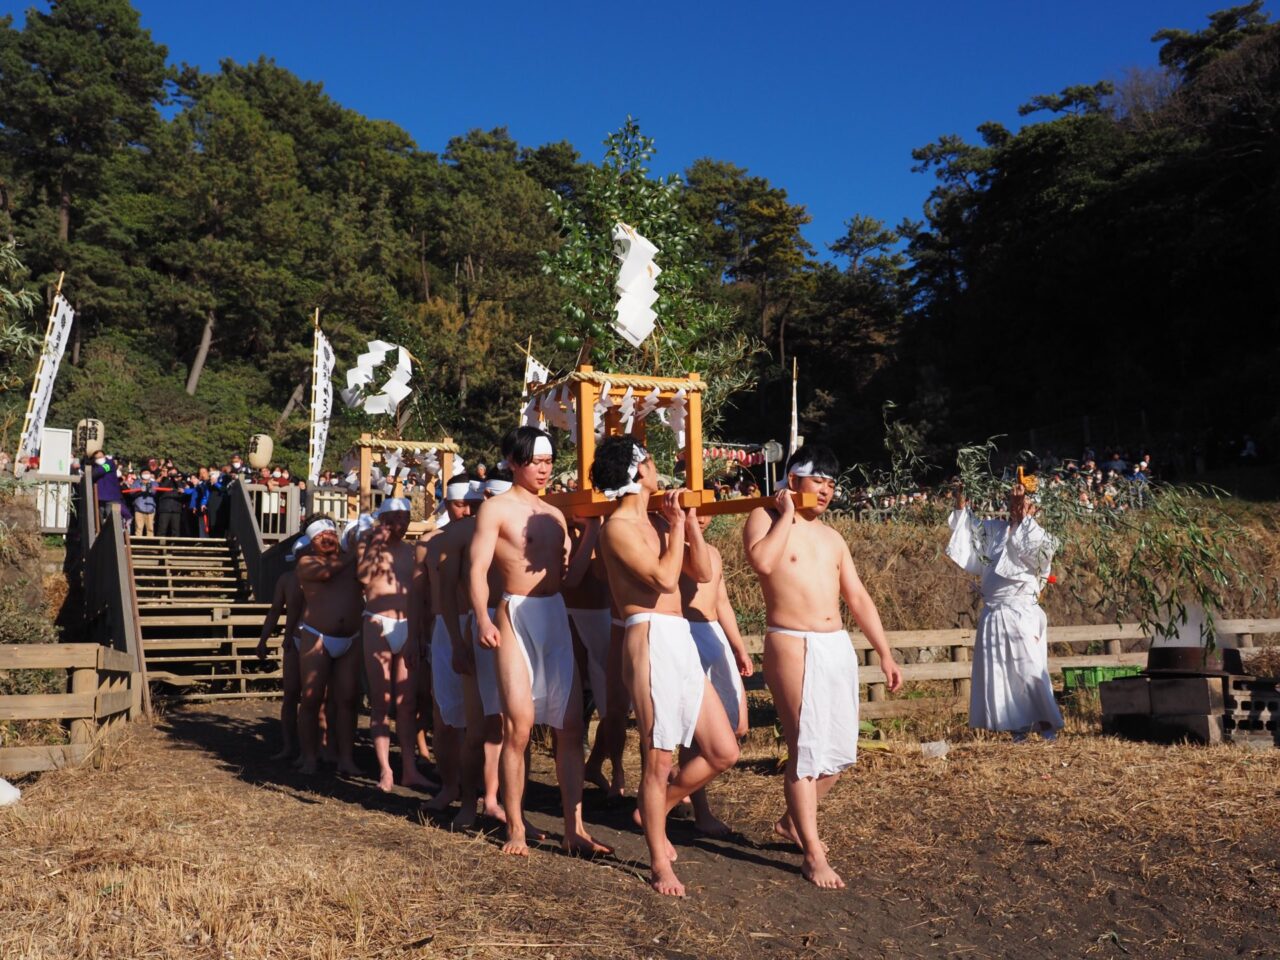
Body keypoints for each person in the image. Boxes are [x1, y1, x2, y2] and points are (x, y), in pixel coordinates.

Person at [743, 444, 903, 890]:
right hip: (792, 641)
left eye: (833, 484)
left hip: (834, 644)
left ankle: (793, 823)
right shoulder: (765, 518)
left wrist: (885, 652)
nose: (828, 490)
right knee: (805, 750)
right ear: (793, 480)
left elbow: (858, 597)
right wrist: (787, 513)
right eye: (820, 481)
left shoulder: (834, 538)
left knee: (836, 753)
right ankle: (812, 855)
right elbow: (761, 561)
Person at [595, 436, 739, 897]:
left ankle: (654, 808)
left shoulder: (660, 520)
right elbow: (659, 577)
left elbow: (699, 574)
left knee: (723, 750)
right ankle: (659, 861)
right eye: (654, 463)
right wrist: (674, 527)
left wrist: (689, 525)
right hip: (649, 636)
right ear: (639, 471)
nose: (660, 472)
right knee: (657, 759)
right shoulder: (616, 527)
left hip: (679, 637)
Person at [469, 427, 610, 857]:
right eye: (535, 461)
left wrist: (590, 534)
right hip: (514, 614)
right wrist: (480, 617)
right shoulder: (495, 509)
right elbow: (476, 570)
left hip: (553, 615)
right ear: (513, 461)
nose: (544, 468)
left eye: (549, 461)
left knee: (569, 727)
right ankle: (515, 828)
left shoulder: (554, 514)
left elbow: (571, 577)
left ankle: (574, 828)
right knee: (519, 725)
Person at [947, 481, 1063, 743]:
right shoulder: (994, 531)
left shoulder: (1041, 537)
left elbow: (1034, 553)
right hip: (994, 612)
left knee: (1030, 669)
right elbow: (967, 531)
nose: (1019, 508)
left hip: (1021, 611)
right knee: (1002, 673)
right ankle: (1017, 729)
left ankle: (1047, 727)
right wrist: (960, 501)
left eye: (1026, 504)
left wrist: (1023, 514)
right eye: (1015, 504)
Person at [441, 475, 510, 829]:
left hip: (514, 627)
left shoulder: (520, 519)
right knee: (476, 726)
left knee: (514, 727)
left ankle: (503, 804)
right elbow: (448, 597)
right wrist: (456, 642)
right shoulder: (458, 534)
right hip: (478, 629)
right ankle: (468, 803)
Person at [680, 511, 752, 834]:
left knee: (737, 724)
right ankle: (699, 810)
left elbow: (721, 601)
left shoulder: (714, 553)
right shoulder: (673, 550)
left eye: (706, 509)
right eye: (692, 509)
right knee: (694, 733)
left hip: (714, 635)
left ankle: (678, 785)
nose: (701, 516)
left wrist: (738, 646)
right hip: (684, 635)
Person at [357, 498, 434, 793]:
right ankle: (385, 769)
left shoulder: (412, 552)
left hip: (407, 625)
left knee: (408, 702)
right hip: (378, 621)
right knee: (380, 700)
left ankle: (410, 770)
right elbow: (363, 577)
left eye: (404, 519)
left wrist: (419, 633)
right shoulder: (368, 546)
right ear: (383, 519)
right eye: (394, 520)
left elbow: (421, 593)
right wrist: (376, 544)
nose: (399, 526)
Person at [423, 479, 480, 812]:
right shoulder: (432, 544)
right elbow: (422, 594)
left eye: (473, 503)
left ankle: (488, 791)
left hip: (480, 622)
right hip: (445, 627)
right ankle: (449, 786)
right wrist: (416, 635)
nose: (468, 510)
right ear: (448, 504)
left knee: (487, 716)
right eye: (461, 504)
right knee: (444, 716)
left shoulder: (490, 537)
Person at [294, 515, 364, 776]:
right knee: (312, 698)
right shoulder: (306, 562)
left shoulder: (351, 560)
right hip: (317, 635)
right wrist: (353, 554)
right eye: (319, 537)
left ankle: (346, 758)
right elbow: (326, 573)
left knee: (347, 699)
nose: (327, 539)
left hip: (351, 638)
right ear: (311, 542)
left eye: (331, 534)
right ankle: (309, 756)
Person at [567, 516, 627, 802]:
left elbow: (604, 573)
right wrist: (589, 528)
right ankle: (575, 772)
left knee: (614, 707)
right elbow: (573, 578)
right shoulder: (564, 526)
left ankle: (612, 769)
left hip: (605, 619)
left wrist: (595, 528)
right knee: (574, 702)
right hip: (571, 616)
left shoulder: (614, 526)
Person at [256, 537, 310, 760]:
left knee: (316, 696)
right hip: (294, 638)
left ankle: (317, 747)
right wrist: (263, 639)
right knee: (291, 693)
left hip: (315, 638)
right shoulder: (287, 579)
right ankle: (289, 746)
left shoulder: (326, 576)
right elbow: (275, 610)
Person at [90, 453, 131, 530]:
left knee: (112, 518)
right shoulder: (94, 466)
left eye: (100, 456)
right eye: (96, 457)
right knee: (101, 519)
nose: (99, 458)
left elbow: (98, 472)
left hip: (111, 496)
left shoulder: (109, 463)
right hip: (100, 497)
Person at [123, 468, 160, 537]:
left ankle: (150, 543)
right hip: (139, 508)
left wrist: (149, 489)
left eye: (147, 473)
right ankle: (139, 543)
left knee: (150, 528)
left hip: (151, 508)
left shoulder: (154, 483)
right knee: (139, 528)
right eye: (144, 473)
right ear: (141, 474)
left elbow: (155, 492)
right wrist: (140, 491)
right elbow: (131, 493)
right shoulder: (136, 483)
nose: (146, 474)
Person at [154, 467, 186, 540]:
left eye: (175, 473)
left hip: (176, 509)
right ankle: (160, 547)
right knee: (162, 529)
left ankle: (174, 546)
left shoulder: (180, 483)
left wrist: (177, 480)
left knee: (176, 530)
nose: (173, 475)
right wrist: (168, 479)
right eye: (171, 473)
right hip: (165, 509)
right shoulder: (163, 481)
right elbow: (160, 489)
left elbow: (183, 492)